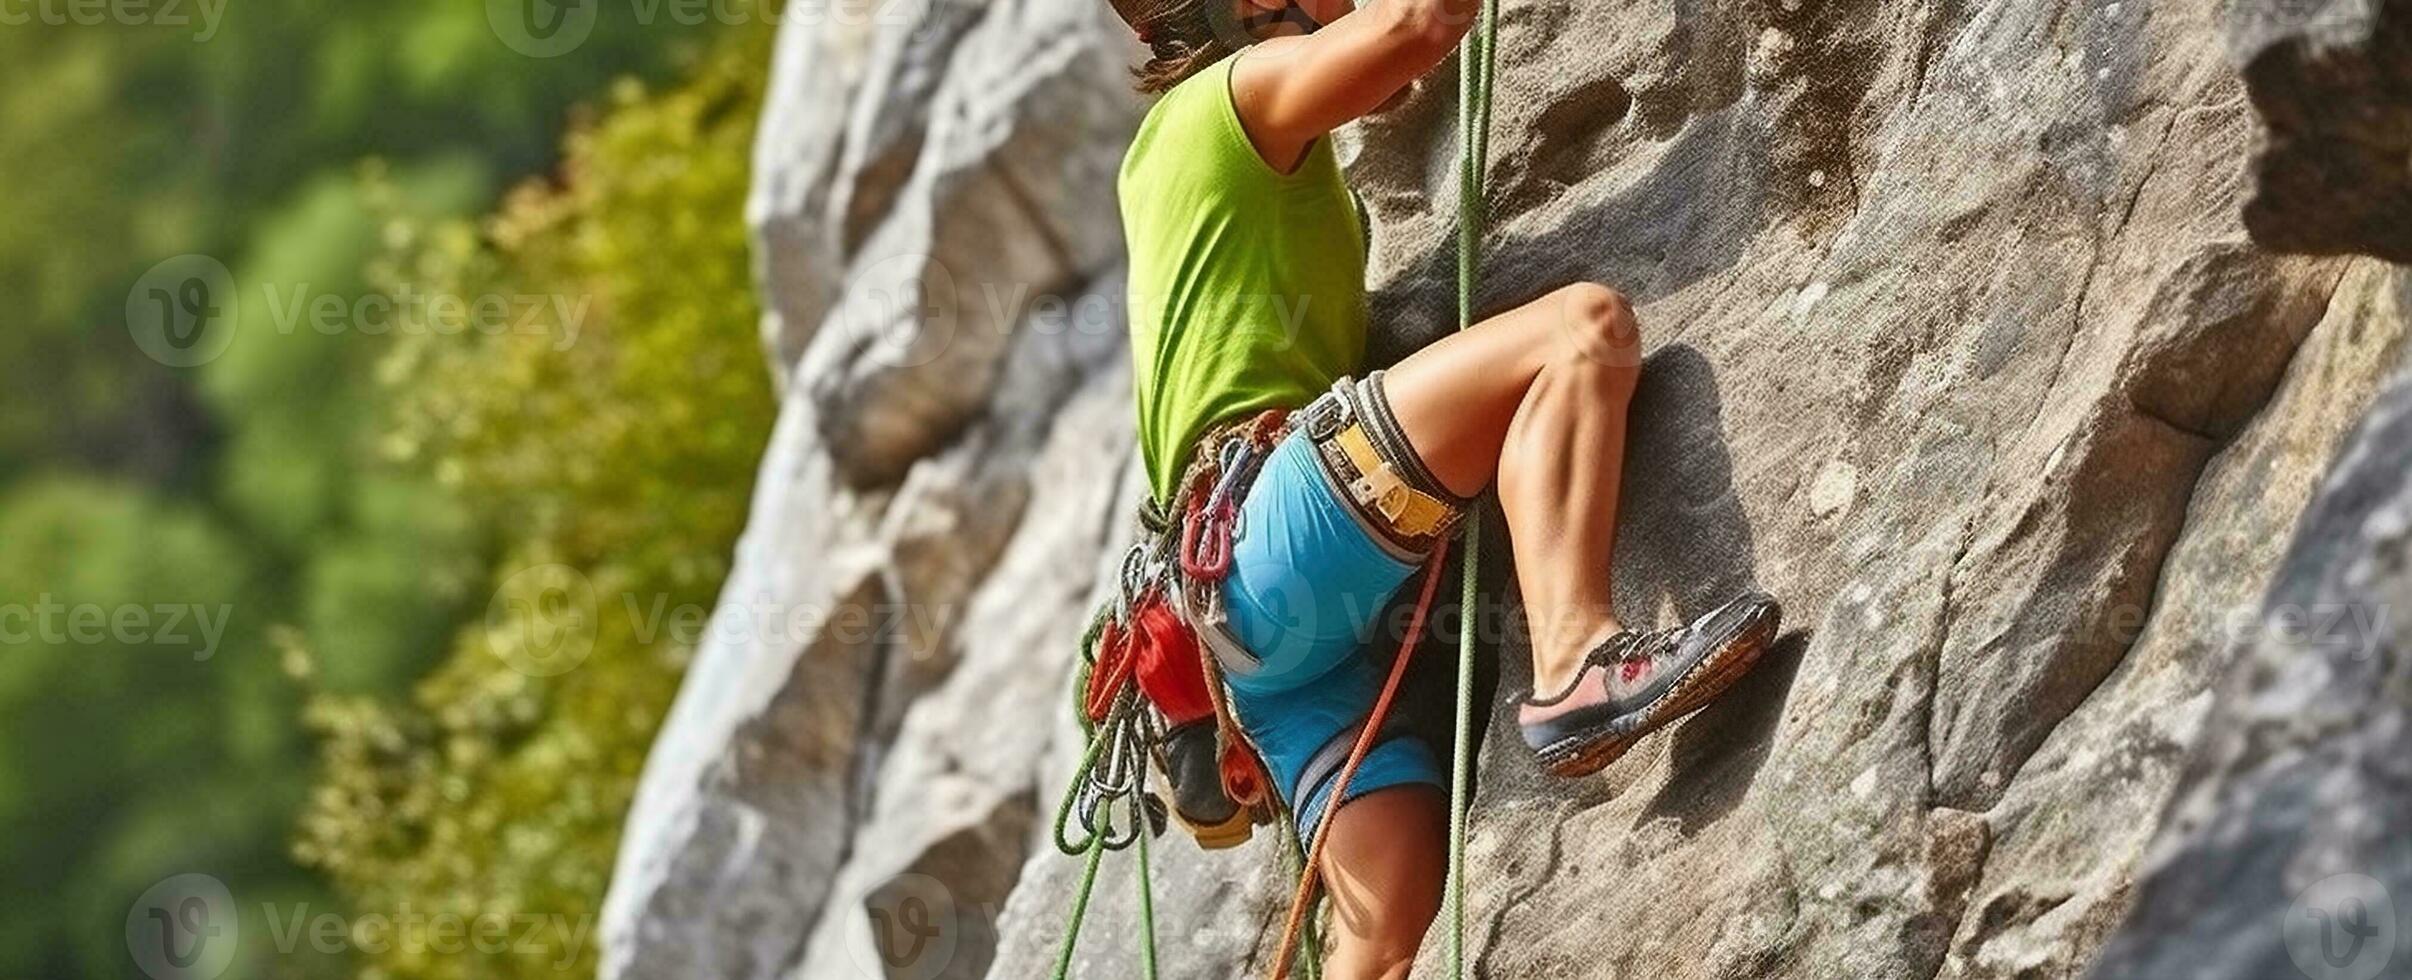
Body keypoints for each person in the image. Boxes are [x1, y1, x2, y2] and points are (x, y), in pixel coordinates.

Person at [1106, 0, 1781, 972]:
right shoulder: (1231, 99)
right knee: (1578, 335)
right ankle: (1578, 661)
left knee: (1382, 940)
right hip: (1271, 538)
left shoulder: (1162, 160)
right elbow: (1415, 28)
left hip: (1252, 636)